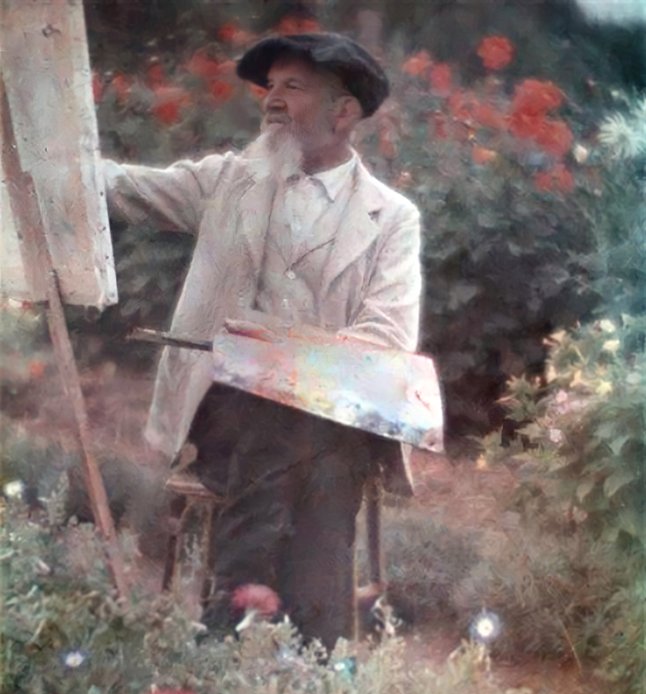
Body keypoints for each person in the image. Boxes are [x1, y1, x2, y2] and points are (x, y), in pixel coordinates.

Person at [102, 32, 423, 650]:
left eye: (292, 87)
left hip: (328, 418)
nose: (271, 100)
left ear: (344, 112)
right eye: (268, 87)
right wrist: (28, 153)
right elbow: (122, 186)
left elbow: (387, 335)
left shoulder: (392, 218)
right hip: (223, 419)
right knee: (299, 442)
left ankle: (228, 632)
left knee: (316, 454)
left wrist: (290, 364)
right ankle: (314, 654)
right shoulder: (228, 182)